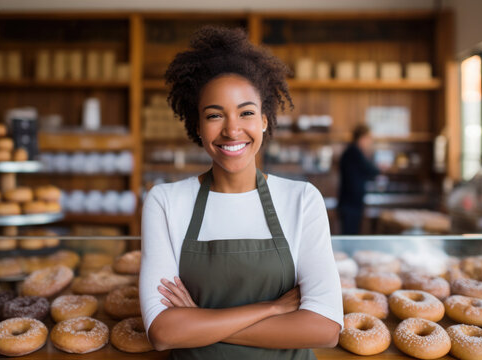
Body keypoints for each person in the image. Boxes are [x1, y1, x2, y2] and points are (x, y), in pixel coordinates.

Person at [139, 27, 342, 359]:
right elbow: (164, 333)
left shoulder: (302, 200)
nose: (232, 129)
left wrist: (199, 322)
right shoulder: (165, 202)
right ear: (197, 125)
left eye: (246, 112)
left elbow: (324, 329)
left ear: (263, 120)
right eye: (215, 115)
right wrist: (273, 309)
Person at [338, 124, 380, 234]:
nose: (370, 142)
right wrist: (381, 168)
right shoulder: (354, 152)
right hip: (350, 204)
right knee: (349, 236)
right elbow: (371, 170)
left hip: (351, 203)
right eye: (369, 138)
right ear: (362, 138)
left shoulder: (352, 151)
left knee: (350, 233)